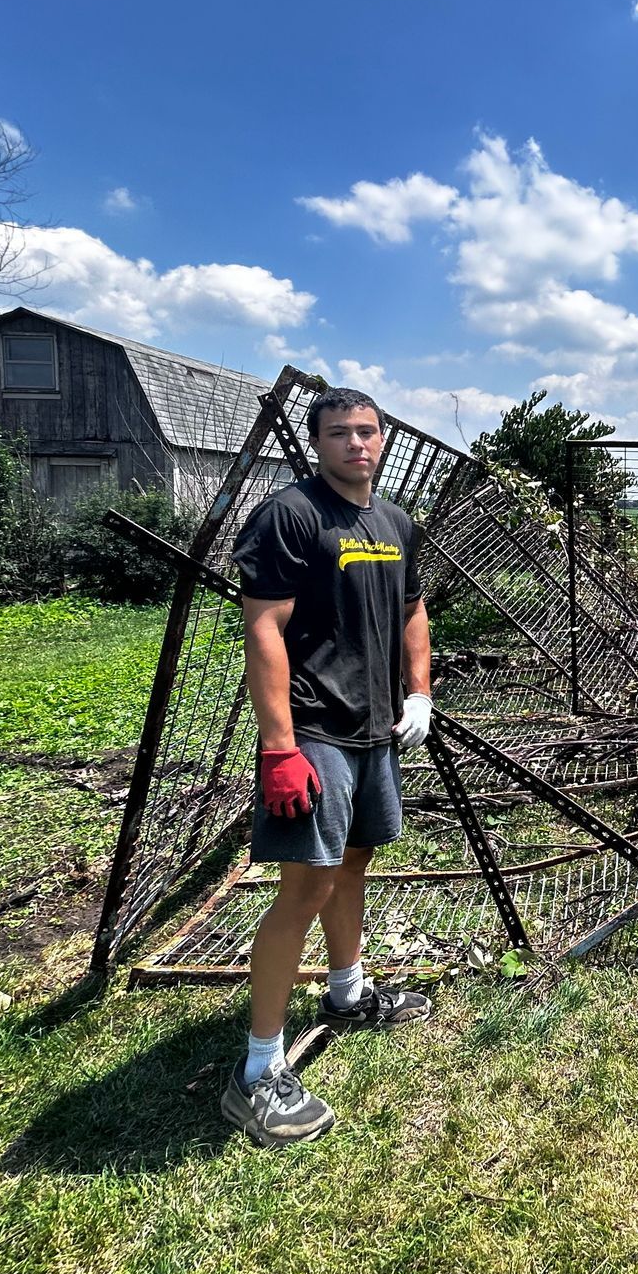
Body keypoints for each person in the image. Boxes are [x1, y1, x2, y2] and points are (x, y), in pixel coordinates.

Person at [219, 386, 437, 1145]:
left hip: (375, 728)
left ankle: (347, 994)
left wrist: (419, 692)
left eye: (367, 431)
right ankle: (258, 1072)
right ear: (318, 443)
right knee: (305, 885)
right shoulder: (292, 515)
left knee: (354, 864)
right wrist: (278, 748)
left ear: (382, 441)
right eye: (340, 433)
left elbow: (413, 610)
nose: (356, 444)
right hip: (314, 731)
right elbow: (265, 629)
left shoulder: (394, 522)